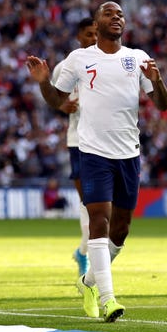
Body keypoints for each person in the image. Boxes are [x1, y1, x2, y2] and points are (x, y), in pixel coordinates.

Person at [26, 1, 167, 322]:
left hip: (128, 154)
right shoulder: (80, 59)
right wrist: (43, 81)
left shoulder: (137, 58)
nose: (116, 17)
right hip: (92, 152)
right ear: (97, 22)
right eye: (109, 13)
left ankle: (89, 282)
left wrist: (158, 81)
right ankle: (109, 299)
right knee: (99, 222)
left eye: (120, 14)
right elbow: (57, 101)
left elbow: (161, 105)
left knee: (121, 230)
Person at [53, 17, 98, 275]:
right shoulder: (66, 66)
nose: (93, 38)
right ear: (79, 38)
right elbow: (52, 95)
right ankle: (87, 258)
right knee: (87, 202)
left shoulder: (110, 62)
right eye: (89, 34)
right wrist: (61, 105)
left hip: (108, 141)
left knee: (105, 207)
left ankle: (83, 251)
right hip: (79, 141)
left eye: (96, 33)